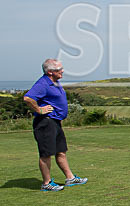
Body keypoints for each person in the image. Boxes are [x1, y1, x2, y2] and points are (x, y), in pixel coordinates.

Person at [23, 58, 88, 192]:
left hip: (55, 122)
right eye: (59, 69)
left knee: (61, 151)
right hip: (45, 123)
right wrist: (39, 110)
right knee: (46, 154)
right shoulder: (43, 83)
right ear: (50, 72)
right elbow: (28, 98)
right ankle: (46, 183)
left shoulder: (55, 82)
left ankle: (70, 178)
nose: (62, 71)